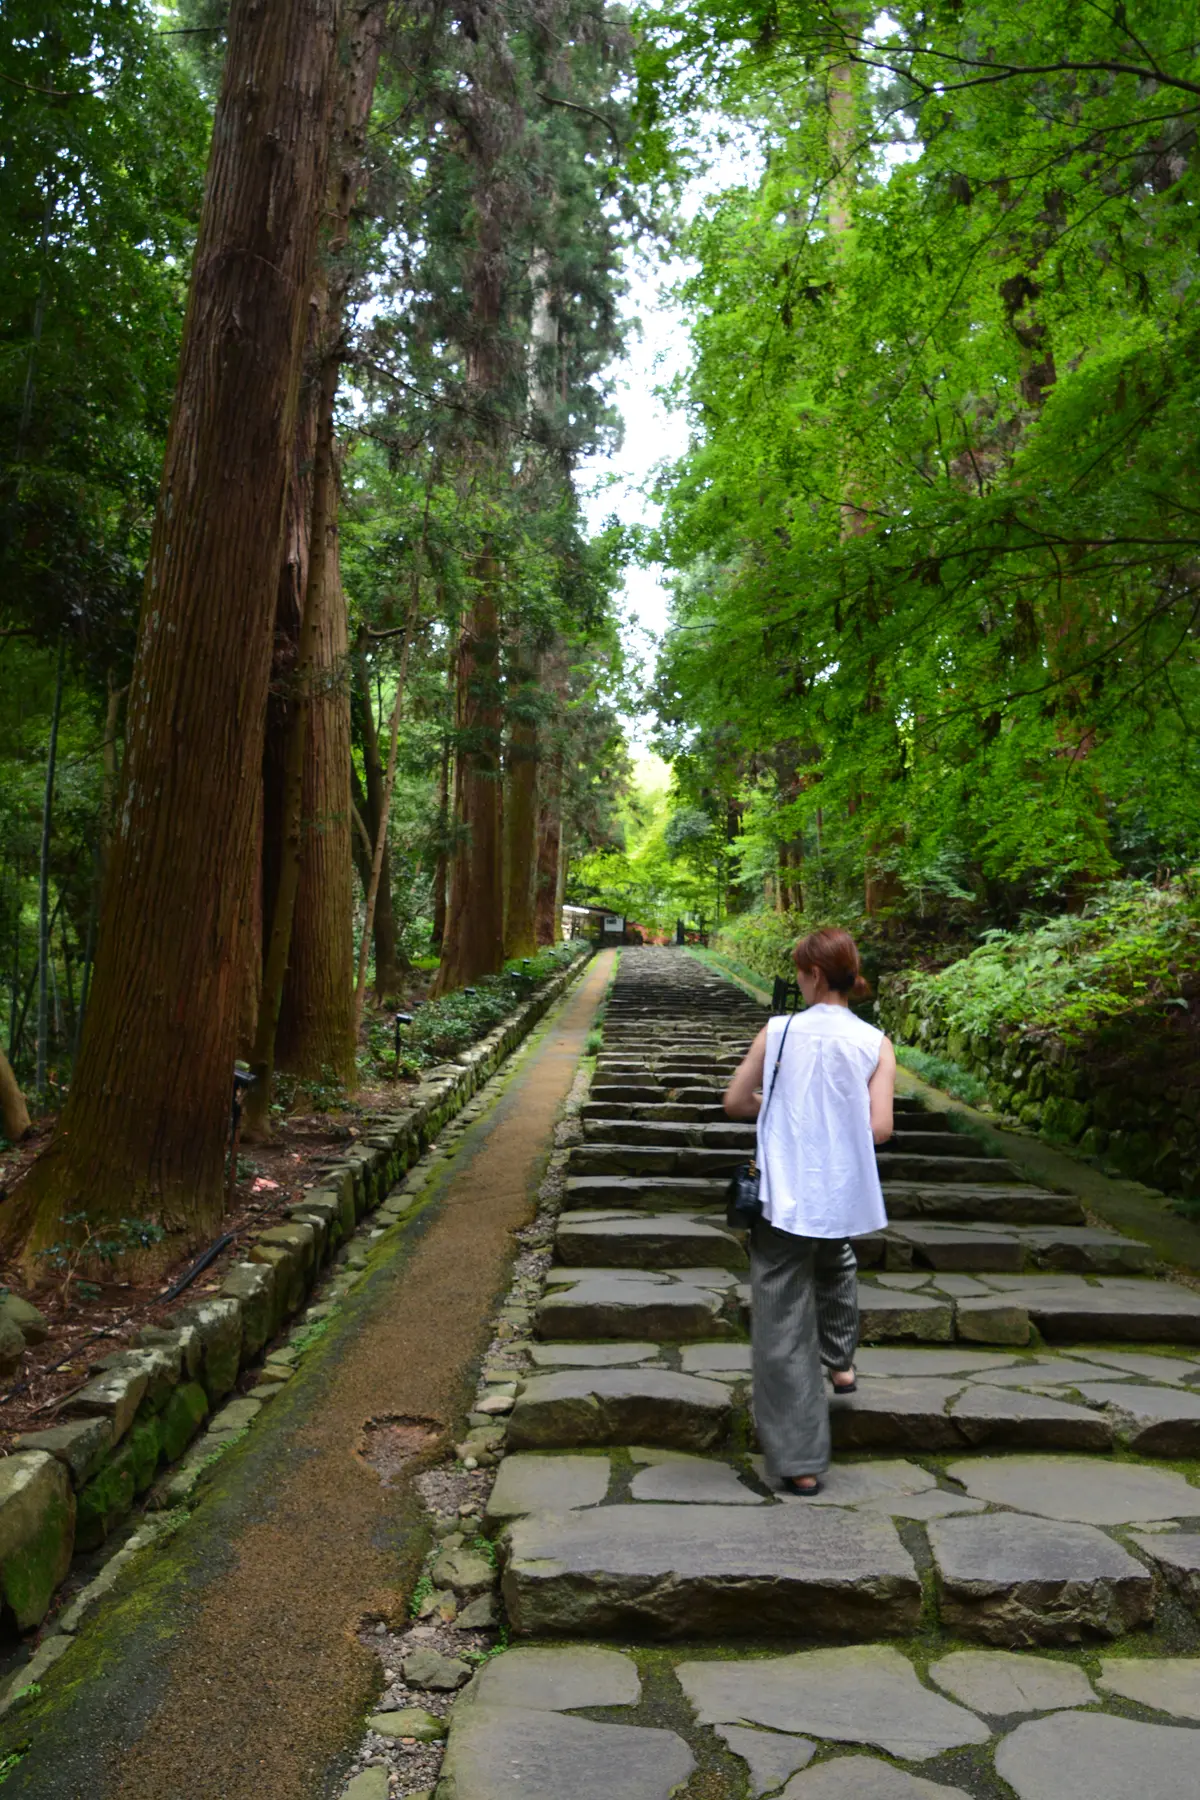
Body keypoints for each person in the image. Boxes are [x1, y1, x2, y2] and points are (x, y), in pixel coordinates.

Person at [723, 926, 895, 1496]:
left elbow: (735, 1102)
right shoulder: (876, 1042)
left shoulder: (778, 1031)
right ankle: (840, 1359)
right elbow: (879, 1128)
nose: (798, 980)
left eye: (800, 972)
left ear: (815, 975)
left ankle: (799, 1458)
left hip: (784, 1192)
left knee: (782, 1320)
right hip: (839, 1192)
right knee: (837, 1258)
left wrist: (778, 1105)